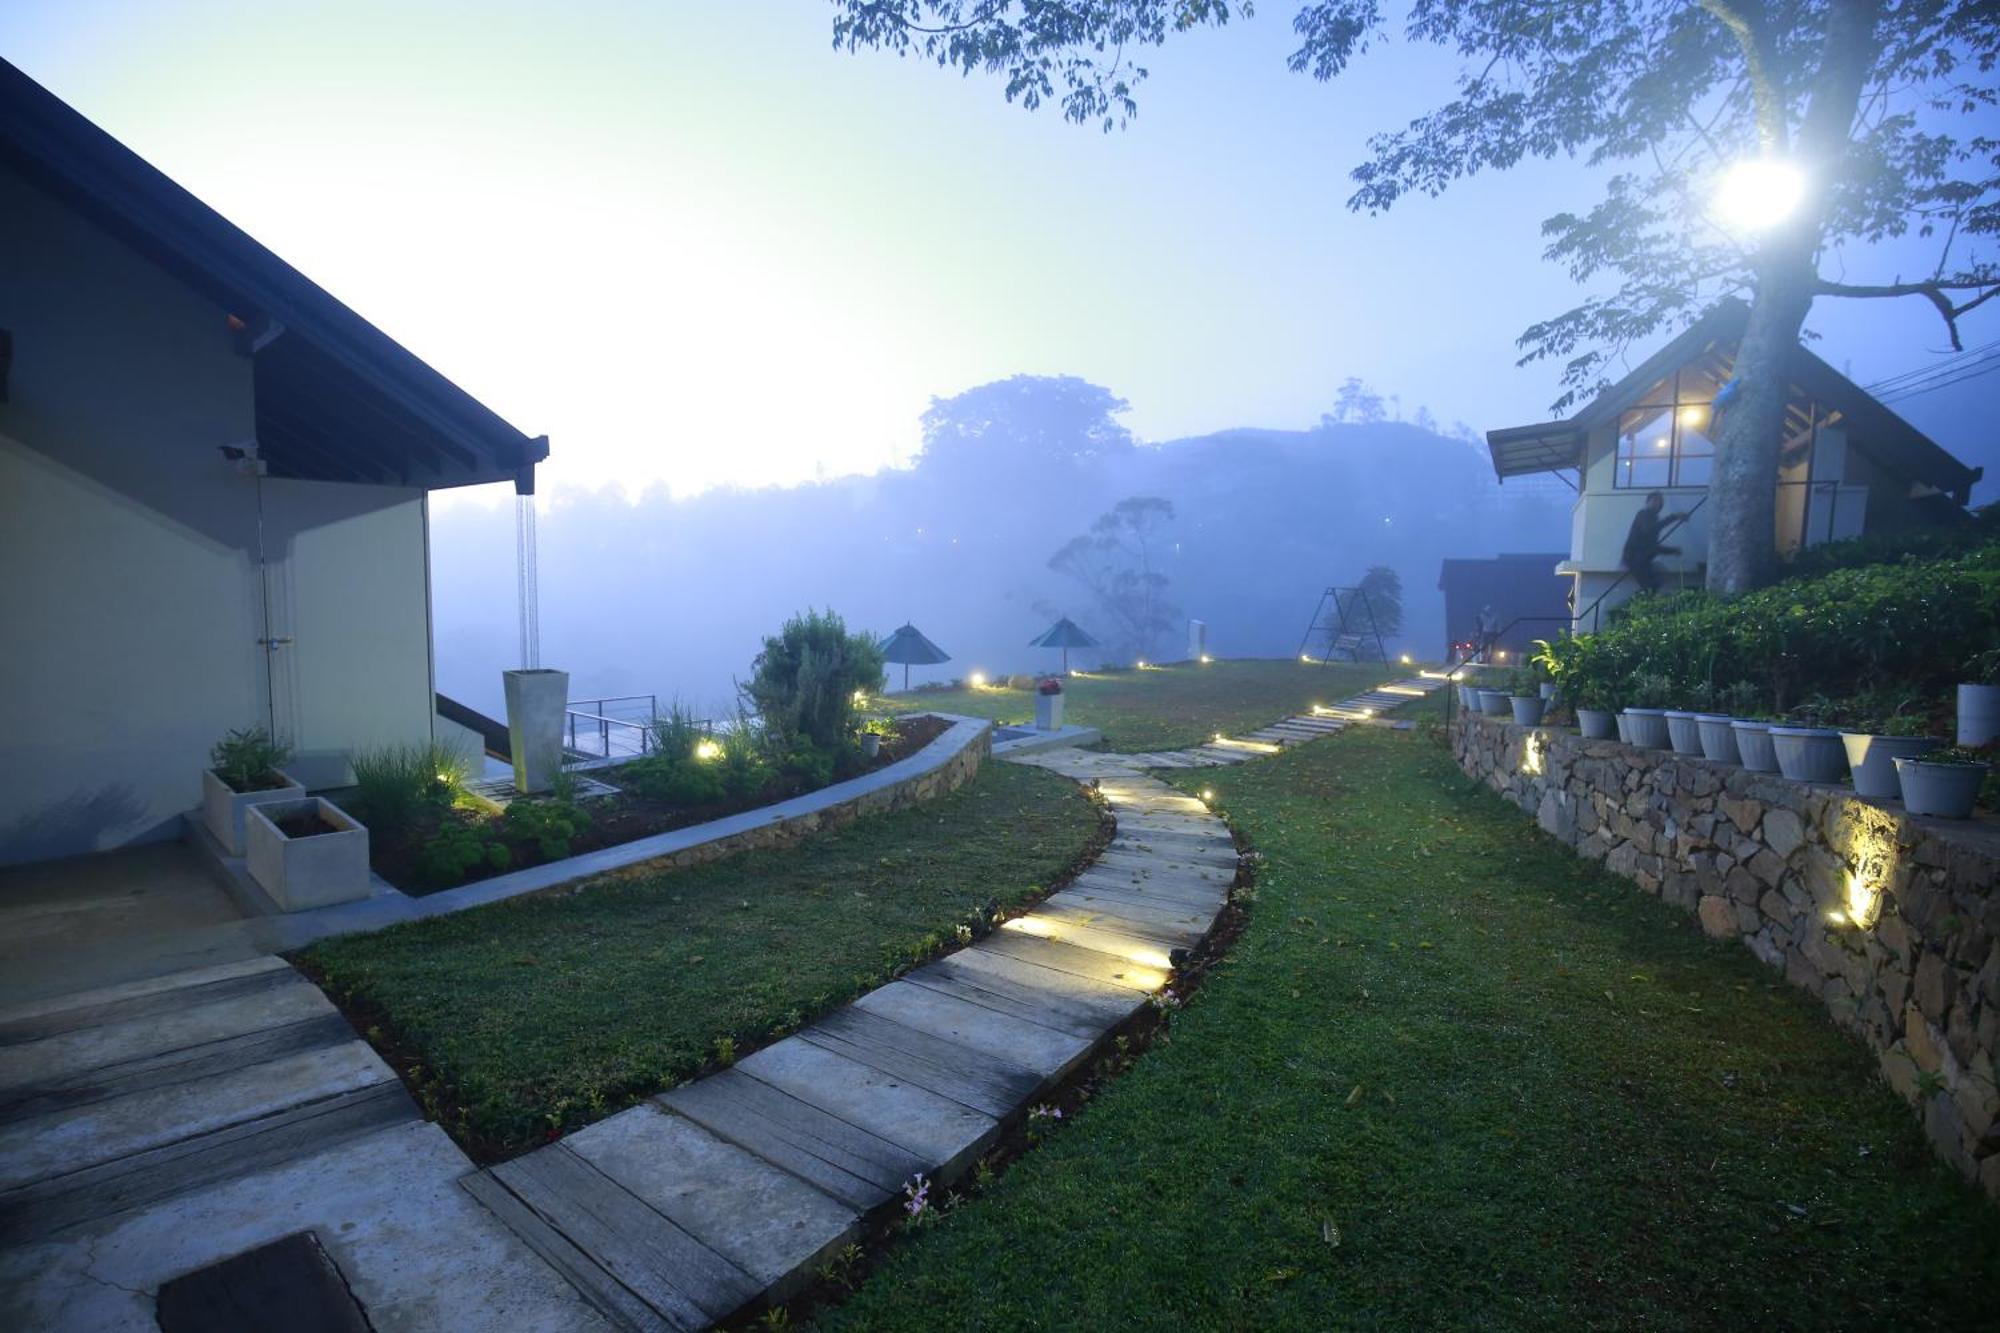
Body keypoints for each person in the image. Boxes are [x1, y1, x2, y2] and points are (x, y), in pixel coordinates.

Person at [1623, 491, 1688, 593]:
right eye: (1654, 500)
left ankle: (1643, 601)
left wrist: (1673, 550)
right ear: (1647, 502)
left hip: (1643, 560)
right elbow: (1648, 529)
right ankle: (1640, 603)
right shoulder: (1643, 514)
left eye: (1660, 502)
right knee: (1650, 587)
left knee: (1655, 584)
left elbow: (1653, 547)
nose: (1657, 503)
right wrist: (1674, 517)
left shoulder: (1653, 519)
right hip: (1635, 558)